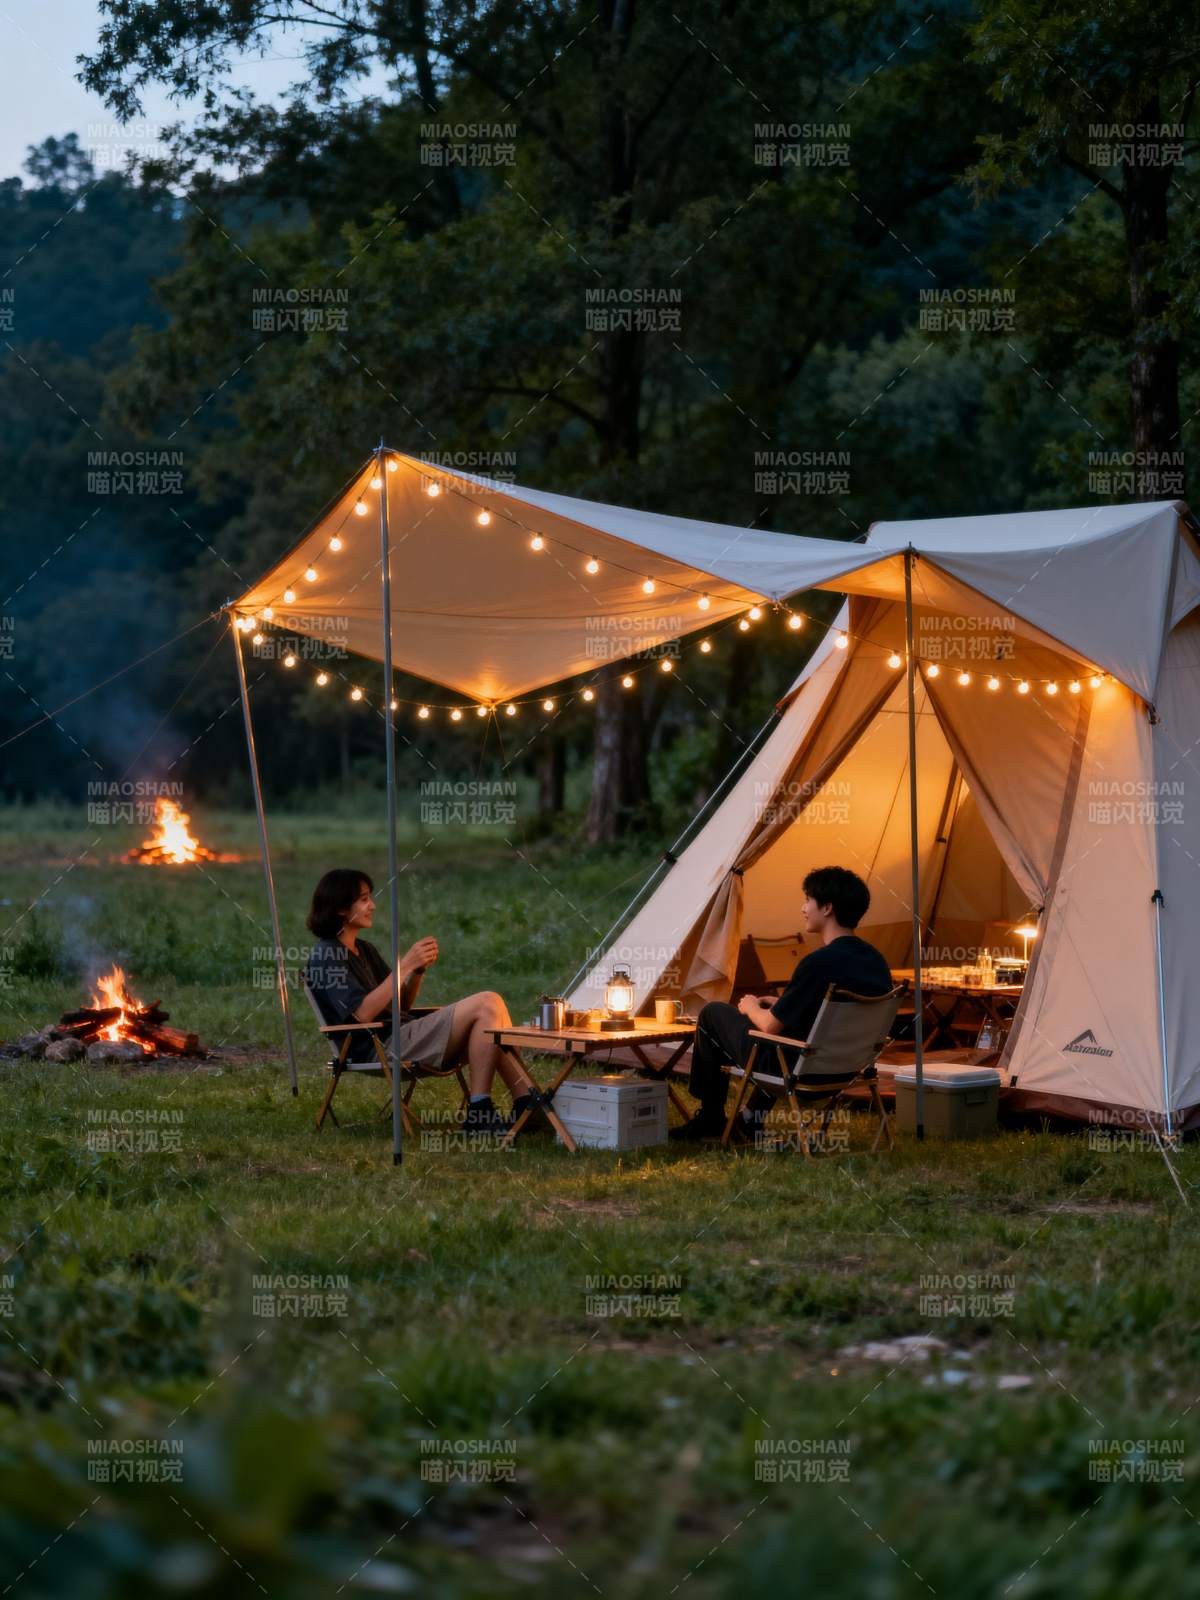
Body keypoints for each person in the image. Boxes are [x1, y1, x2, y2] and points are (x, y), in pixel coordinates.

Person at [303, 868, 536, 1135]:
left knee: (494, 1017)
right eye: (364, 899)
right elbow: (363, 1015)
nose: (372, 905)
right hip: (380, 1046)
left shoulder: (364, 949)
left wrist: (417, 971)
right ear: (343, 908)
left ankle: (526, 1105)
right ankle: (480, 1113)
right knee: (487, 1002)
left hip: (402, 1033)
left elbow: (399, 1007)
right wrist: (404, 966)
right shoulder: (327, 956)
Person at [672, 865, 892, 1143]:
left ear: (827, 908)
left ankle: (711, 1118)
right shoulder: (877, 962)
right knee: (785, 1032)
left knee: (713, 1014)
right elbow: (829, 1013)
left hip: (801, 1073)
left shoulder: (817, 963)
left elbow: (771, 1026)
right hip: (847, 1070)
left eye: (808, 900)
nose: (803, 908)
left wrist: (750, 1005)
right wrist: (783, 1003)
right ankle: (750, 1119)